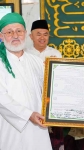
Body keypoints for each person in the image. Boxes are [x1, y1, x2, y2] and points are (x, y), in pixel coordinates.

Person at [0, 13, 52, 150]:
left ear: (25, 33)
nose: (15, 36)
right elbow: (1, 98)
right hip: (11, 129)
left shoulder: (36, 61)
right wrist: (28, 114)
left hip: (38, 127)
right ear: (1, 36)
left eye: (19, 31)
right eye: (9, 32)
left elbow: (50, 88)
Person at [27, 19, 63, 150]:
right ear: (31, 36)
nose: (42, 37)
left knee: (54, 141)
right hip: (32, 103)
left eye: (45, 34)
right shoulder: (25, 54)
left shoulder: (56, 54)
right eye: (38, 34)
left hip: (52, 104)